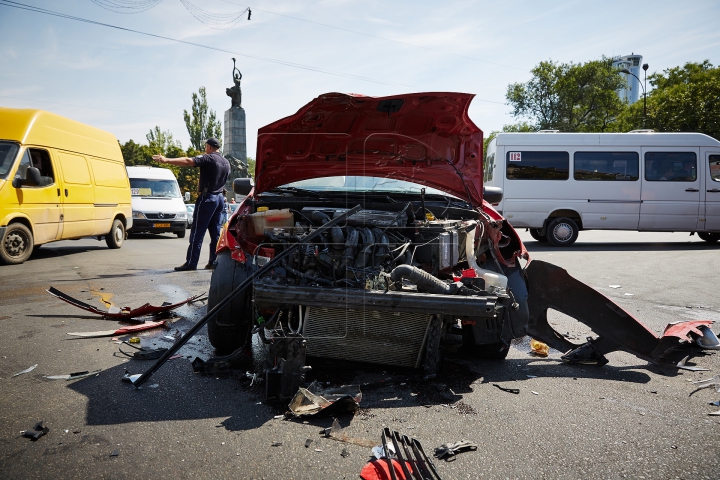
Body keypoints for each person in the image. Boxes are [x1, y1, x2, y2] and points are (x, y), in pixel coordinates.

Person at [152, 138, 230, 271]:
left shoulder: (208, 158)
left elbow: (188, 161)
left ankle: (191, 263)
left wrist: (166, 160)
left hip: (207, 198)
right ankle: (213, 262)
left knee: (197, 233)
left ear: (209, 147)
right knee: (215, 234)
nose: (205, 148)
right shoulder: (226, 162)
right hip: (220, 199)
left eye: (206, 146)